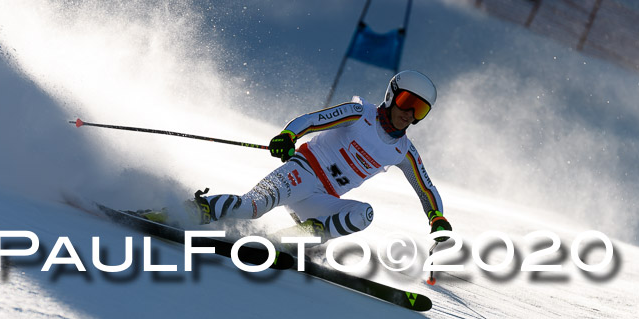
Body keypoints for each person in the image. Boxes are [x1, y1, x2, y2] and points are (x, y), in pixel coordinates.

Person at [190, 70, 452, 243]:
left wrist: (436, 217)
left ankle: (286, 242)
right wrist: (288, 135)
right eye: (407, 102)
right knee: (252, 207)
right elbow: (312, 121)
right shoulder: (360, 113)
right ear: (392, 96)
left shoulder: (403, 151)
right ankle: (190, 211)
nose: (410, 113)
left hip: (321, 198)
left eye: (420, 109)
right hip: (300, 174)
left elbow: (425, 188)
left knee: (364, 214)